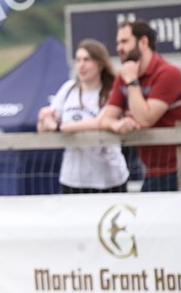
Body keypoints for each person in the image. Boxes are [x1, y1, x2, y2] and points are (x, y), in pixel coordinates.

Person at [98, 20, 181, 191]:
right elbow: (105, 118)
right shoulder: (124, 77)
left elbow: (145, 118)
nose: (119, 48)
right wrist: (118, 124)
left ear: (143, 42)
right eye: (118, 43)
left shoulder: (169, 73)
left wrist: (132, 82)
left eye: (124, 42)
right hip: (153, 171)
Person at [36, 39, 129, 193]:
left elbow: (99, 123)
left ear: (100, 64)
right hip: (73, 178)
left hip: (107, 178)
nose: (81, 65)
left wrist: (60, 127)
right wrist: (44, 119)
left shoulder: (111, 92)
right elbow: (44, 125)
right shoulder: (68, 89)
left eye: (87, 60)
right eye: (78, 60)